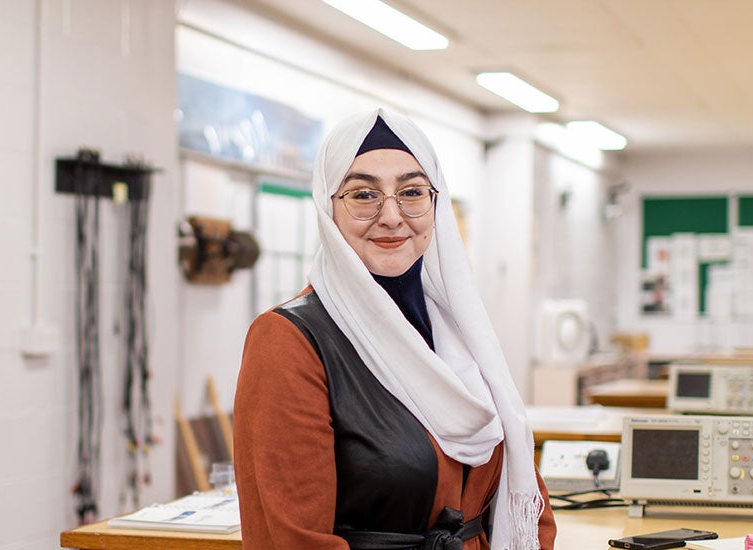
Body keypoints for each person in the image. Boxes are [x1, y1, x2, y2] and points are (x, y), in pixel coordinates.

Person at [234, 108, 557, 550]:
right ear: (328, 207)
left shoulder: (460, 334)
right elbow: (294, 540)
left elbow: (524, 500)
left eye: (411, 191)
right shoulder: (289, 341)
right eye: (363, 194)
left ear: (435, 203)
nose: (391, 215)